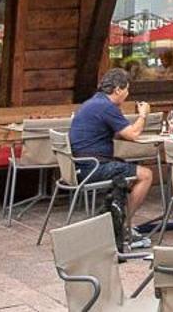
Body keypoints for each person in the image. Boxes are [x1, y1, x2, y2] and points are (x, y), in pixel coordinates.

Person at [68, 69, 157, 244]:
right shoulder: (107, 107)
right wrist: (143, 114)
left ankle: (113, 218)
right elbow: (133, 134)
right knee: (146, 175)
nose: (127, 94)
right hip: (93, 168)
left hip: (80, 166)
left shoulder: (93, 103)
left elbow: (115, 133)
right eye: (126, 90)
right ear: (117, 90)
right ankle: (120, 223)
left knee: (126, 169)